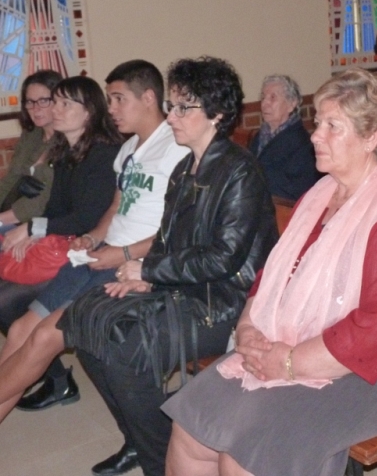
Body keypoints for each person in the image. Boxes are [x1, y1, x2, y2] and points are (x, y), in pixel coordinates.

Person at [162, 68, 377, 476]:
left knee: (246, 456)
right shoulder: (318, 198)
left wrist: (292, 363)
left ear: (372, 138)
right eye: (319, 124)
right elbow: (272, 276)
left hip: (372, 374)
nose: (315, 136)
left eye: (334, 127)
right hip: (287, 344)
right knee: (192, 429)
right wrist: (247, 328)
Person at [55, 56, 278, 476]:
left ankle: (160, 461)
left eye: (182, 107)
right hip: (185, 286)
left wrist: (150, 272)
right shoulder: (183, 168)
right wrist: (146, 276)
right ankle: (142, 441)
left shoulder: (239, 171)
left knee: (124, 347)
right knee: (83, 321)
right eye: (171, 105)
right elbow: (169, 239)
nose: (171, 116)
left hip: (227, 300)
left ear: (216, 113)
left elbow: (223, 258)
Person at [0, 60, 189, 436]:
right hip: (94, 254)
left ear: (149, 98)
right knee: (22, 328)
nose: (111, 108)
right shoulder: (128, 149)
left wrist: (120, 253)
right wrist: (94, 237)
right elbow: (114, 209)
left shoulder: (175, 149)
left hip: (127, 265)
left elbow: (178, 227)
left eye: (118, 99)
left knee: (42, 338)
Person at [0, 75, 122, 412]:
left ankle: (55, 382)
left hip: (92, 256)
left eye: (63, 103)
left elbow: (86, 218)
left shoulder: (104, 155)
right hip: (69, 248)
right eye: (55, 101)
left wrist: (31, 229)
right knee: (19, 331)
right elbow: (52, 208)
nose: (54, 108)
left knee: (20, 318)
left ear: (88, 113)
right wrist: (33, 230)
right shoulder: (67, 151)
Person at [0, 69, 63, 232]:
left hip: (44, 220)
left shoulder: (68, 140)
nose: (36, 108)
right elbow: (11, 179)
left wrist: (1, 220)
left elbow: (42, 199)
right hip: (13, 215)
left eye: (43, 101)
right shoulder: (31, 135)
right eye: (30, 102)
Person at [249, 74, 319, 201]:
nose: (265, 103)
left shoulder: (303, 144)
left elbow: (297, 192)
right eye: (263, 97)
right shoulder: (260, 136)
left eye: (273, 98)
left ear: (292, 104)